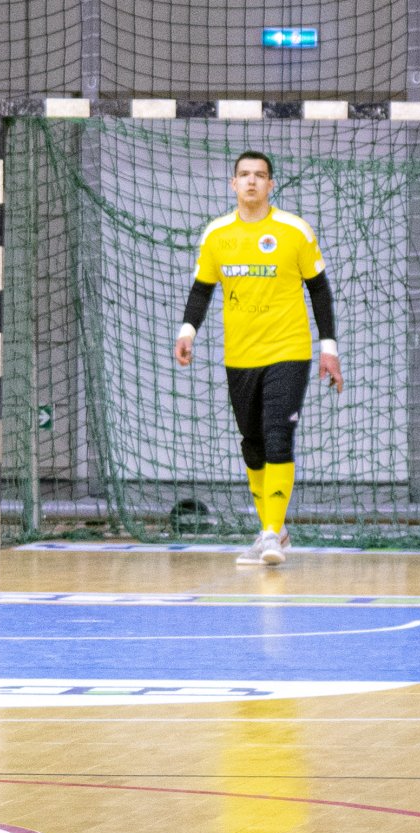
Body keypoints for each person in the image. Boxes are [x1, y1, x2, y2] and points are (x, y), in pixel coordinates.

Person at [173, 150, 342, 566]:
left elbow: (319, 289)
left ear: (271, 185)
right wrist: (187, 331)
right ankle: (274, 530)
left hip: (288, 350)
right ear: (233, 184)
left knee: (278, 435)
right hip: (240, 355)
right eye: (244, 175)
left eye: (260, 175)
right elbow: (202, 289)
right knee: (253, 444)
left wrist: (329, 347)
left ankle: (269, 533)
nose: (251, 181)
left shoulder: (294, 230)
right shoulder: (217, 234)